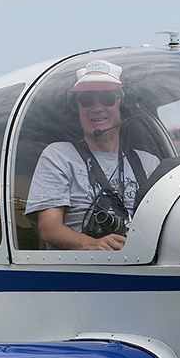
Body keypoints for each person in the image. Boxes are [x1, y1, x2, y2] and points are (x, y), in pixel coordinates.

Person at [26, 59, 160, 251]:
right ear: (77, 108)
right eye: (87, 100)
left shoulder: (149, 163)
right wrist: (92, 244)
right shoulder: (59, 156)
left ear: (123, 105)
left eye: (106, 98)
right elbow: (49, 228)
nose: (96, 107)